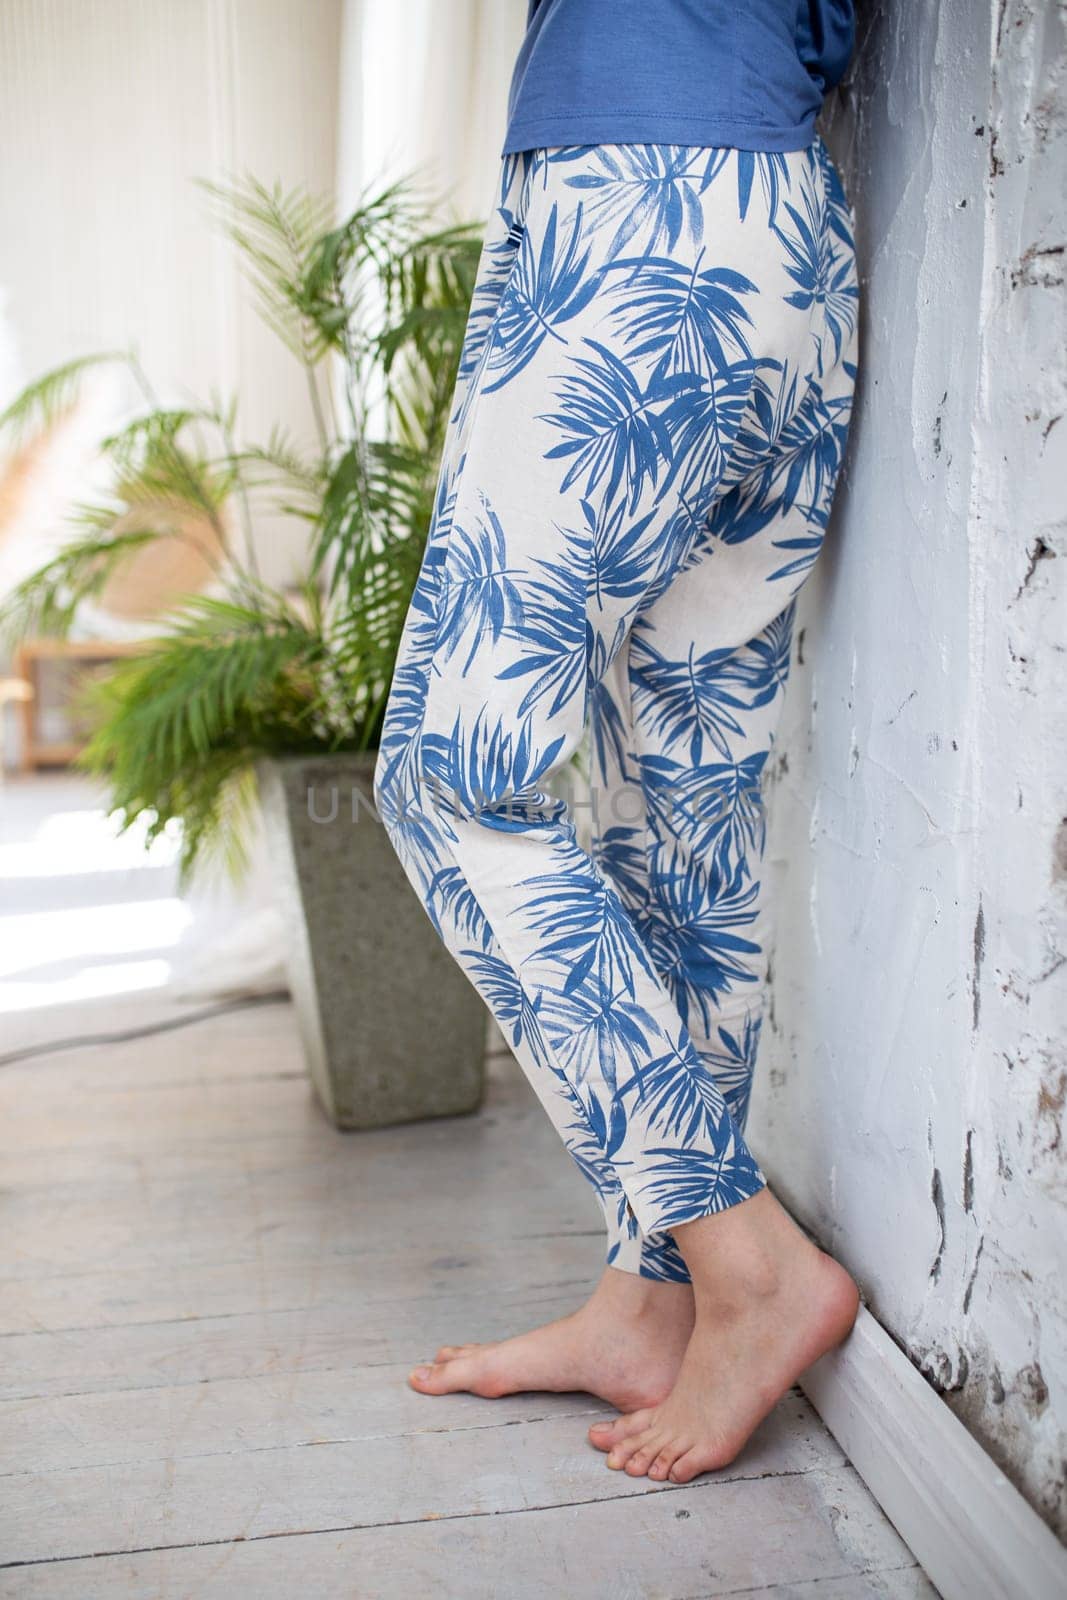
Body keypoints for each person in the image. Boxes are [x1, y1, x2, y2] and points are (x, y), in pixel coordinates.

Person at [373, 0, 861, 1486]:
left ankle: (742, 1260)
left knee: (453, 781)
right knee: (684, 792)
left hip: (633, 206)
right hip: (786, 221)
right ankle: (656, 1301)